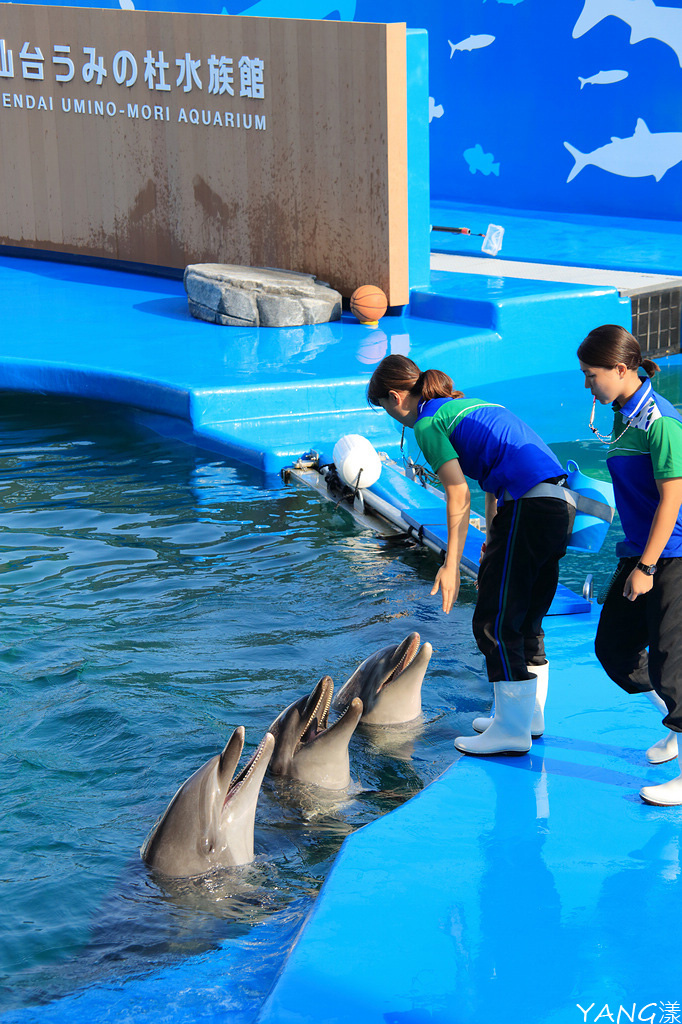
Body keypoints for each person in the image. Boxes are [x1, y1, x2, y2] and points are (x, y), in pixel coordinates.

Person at [367, 354, 572, 756]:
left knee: (494, 621)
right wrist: (494, 542)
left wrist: (450, 565)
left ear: (395, 398)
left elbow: (459, 494)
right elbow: (492, 480)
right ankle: (525, 717)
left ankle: (511, 731)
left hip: (528, 508)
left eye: (386, 409)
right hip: (559, 505)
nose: (393, 417)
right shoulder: (468, 407)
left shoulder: (427, 423)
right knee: (526, 616)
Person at [578, 324, 682, 806]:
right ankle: (676, 722)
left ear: (621, 369)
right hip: (639, 551)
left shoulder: (660, 421)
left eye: (592, 374)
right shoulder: (625, 415)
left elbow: (671, 501)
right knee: (613, 650)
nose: (587, 384)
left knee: (670, 659)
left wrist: (648, 567)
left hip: (672, 555)